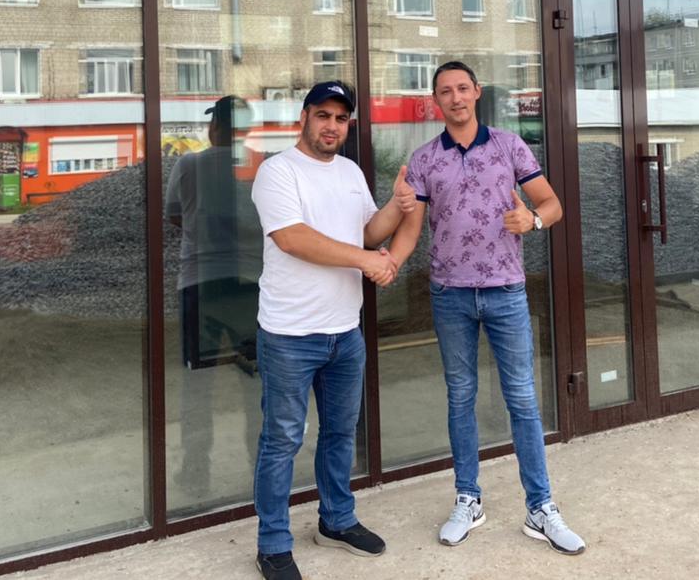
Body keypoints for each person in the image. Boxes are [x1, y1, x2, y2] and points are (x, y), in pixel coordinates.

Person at [389, 60, 587, 555]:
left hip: (505, 291)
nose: (455, 97)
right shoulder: (424, 159)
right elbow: (410, 228)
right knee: (460, 397)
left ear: (476, 92)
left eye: (463, 88)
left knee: (521, 398)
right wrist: (388, 262)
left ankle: (540, 507)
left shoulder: (509, 145)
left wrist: (532, 220)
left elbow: (552, 204)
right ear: (435, 101)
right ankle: (468, 498)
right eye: (445, 91)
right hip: (450, 294)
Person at [249, 80, 405, 580]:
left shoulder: (351, 172)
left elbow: (368, 232)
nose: (332, 126)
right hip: (290, 335)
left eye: (341, 118)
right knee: (282, 439)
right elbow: (292, 238)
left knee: (339, 434)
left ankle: (336, 521)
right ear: (304, 117)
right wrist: (365, 260)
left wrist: (398, 205)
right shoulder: (277, 171)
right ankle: (273, 543)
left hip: (345, 332)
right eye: (323, 115)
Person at [164, 94, 263, 501]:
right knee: (255, 382)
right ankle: (261, 470)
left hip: (199, 282)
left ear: (215, 127)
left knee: (197, 385)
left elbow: (173, 213)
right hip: (250, 285)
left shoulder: (189, 165)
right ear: (246, 130)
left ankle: (195, 473)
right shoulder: (260, 166)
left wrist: (200, 231)